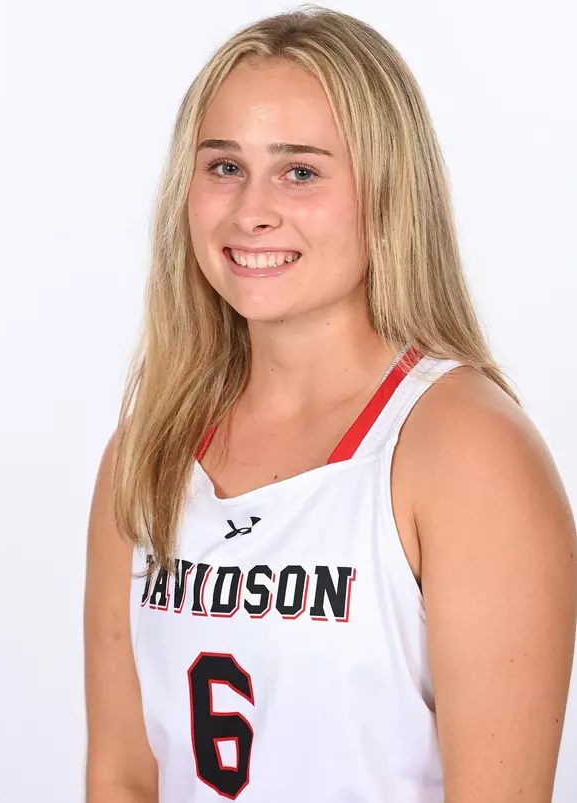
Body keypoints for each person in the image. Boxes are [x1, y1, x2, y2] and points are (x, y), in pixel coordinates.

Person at [83, 6, 577, 802]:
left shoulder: (464, 450)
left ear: (387, 193)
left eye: (300, 170)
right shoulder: (148, 450)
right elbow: (121, 778)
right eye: (222, 166)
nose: (251, 209)